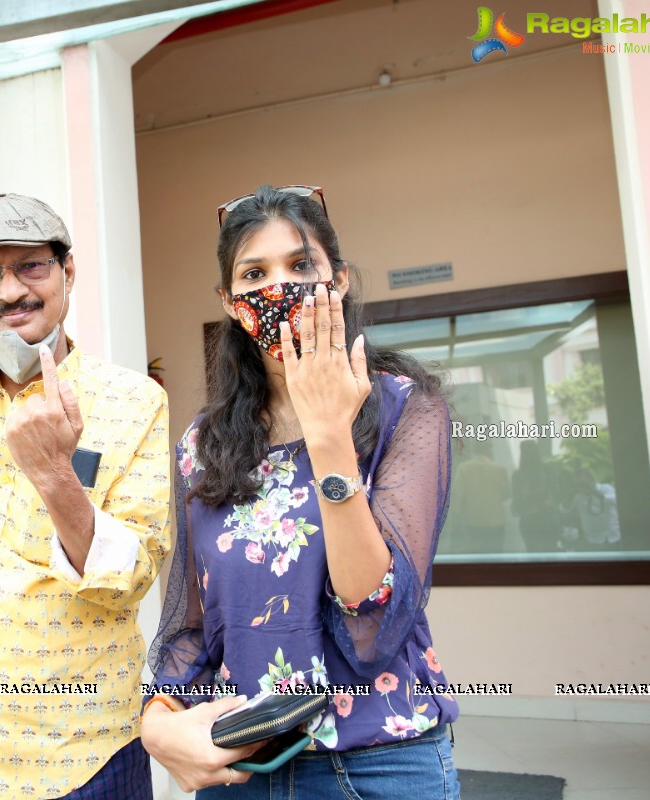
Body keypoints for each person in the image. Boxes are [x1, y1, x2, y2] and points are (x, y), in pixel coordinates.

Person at [143, 185, 460, 797]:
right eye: (254, 273)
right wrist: (157, 723)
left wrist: (328, 435)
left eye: (300, 265)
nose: (278, 287)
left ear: (337, 281)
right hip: (241, 762)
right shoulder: (203, 444)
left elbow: (374, 625)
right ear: (232, 304)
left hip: (376, 764)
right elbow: (190, 622)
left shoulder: (406, 412)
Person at [0, 193, 172, 799]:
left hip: (79, 751)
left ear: (68, 272)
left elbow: (132, 579)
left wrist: (54, 476)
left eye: (30, 266)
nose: (9, 290)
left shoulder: (133, 401)